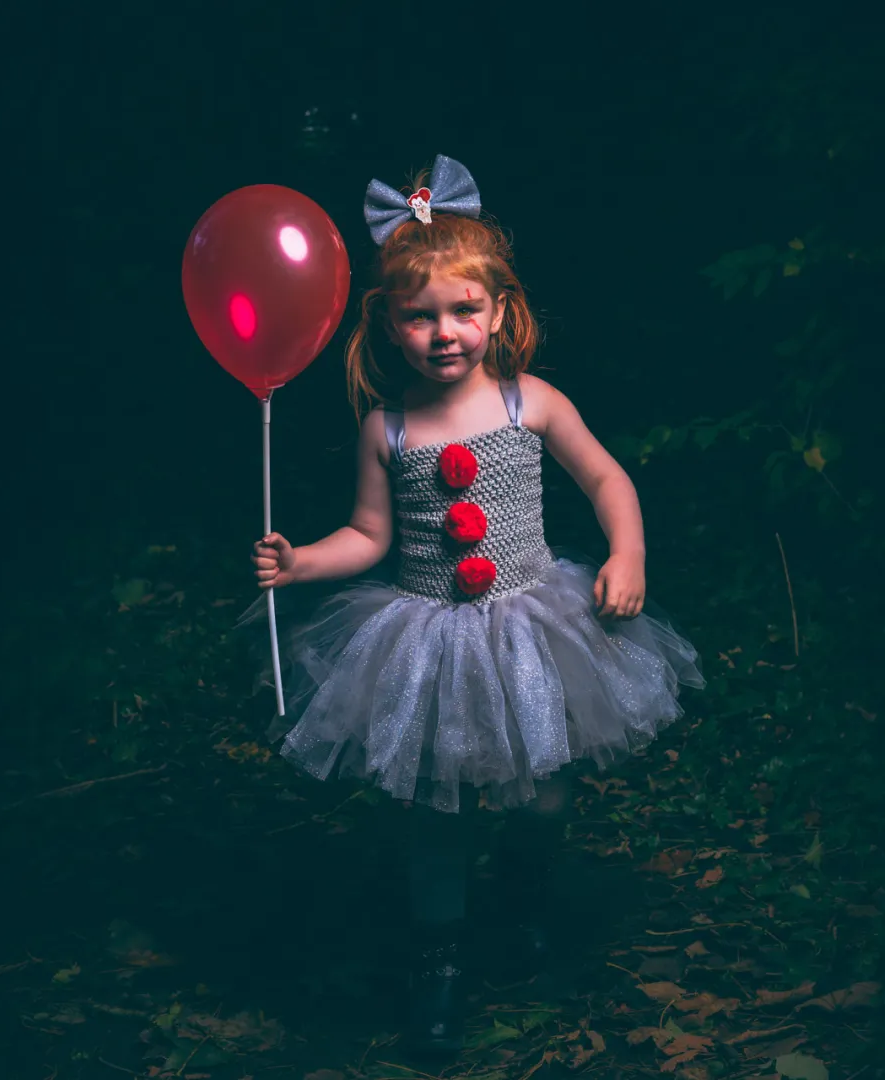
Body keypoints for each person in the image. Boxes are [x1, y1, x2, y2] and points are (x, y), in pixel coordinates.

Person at [248, 154, 705, 1053]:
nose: (444, 332)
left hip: (534, 624)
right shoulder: (384, 427)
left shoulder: (528, 401)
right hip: (426, 639)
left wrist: (629, 550)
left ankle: (525, 897)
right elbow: (370, 538)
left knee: (539, 797)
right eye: (420, 316)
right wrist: (302, 562)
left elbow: (607, 476)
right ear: (389, 323)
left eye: (464, 310)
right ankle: (440, 963)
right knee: (439, 808)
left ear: (499, 311)